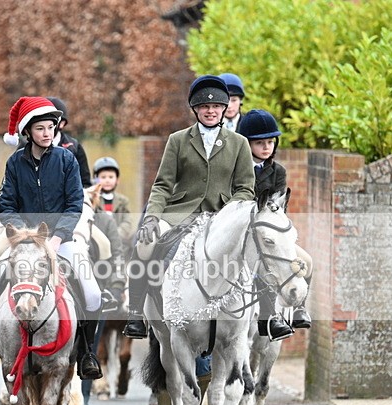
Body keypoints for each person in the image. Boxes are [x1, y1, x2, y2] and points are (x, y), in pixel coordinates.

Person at [0, 96, 103, 380]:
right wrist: (20, 234)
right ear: (27, 132)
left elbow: (74, 203)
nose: (47, 133)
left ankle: (88, 351)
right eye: (40, 128)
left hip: (60, 239)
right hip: (22, 238)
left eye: (51, 127)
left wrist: (58, 237)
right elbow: (6, 205)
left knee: (92, 293)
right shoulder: (15, 162)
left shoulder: (67, 160)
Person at [123, 75, 255, 339]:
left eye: (216, 106)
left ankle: (260, 318)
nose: (210, 111)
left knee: (259, 249)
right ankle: (136, 314)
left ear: (224, 109)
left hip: (220, 217)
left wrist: (229, 212)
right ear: (195, 109)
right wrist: (151, 219)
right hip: (179, 214)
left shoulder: (239, 144)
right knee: (145, 244)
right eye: (204, 107)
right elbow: (162, 184)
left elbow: (246, 188)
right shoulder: (178, 140)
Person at [238, 109, 313, 339]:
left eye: (270, 142)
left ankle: (299, 308)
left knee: (307, 261)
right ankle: (268, 317)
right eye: (260, 143)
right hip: (242, 233)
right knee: (262, 266)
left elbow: (278, 208)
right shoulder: (236, 169)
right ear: (246, 143)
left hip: (267, 232)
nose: (266, 147)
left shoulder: (278, 171)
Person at [93, 156, 137, 258]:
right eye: (103, 177)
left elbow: (127, 221)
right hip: (99, 243)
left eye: (111, 177)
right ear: (96, 179)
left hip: (119, 243)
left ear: (117, 180)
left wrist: (115, 235)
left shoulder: (123, 201)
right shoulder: (94, 201)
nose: (107, 180)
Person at [47, 96, 92, 187]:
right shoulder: (26, 146)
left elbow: (85, 182)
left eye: (51, 122)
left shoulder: (74, 147)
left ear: (62, 123)